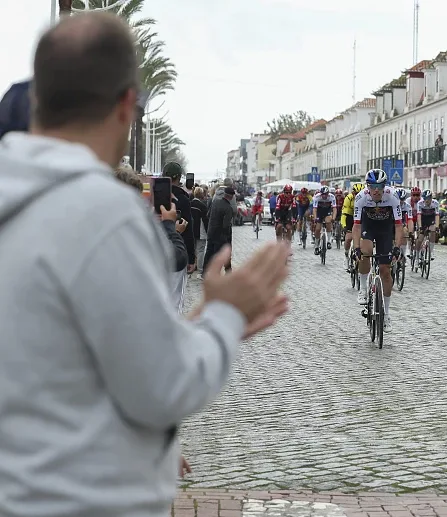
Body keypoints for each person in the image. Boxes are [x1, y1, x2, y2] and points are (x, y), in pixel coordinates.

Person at [0, 12, 290, 517]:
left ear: (39, 96)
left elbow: (73, 353)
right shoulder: (101, 213)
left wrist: (195, 322)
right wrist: (224, 317)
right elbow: (161, 388)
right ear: (127, 105)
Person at [352, 169, 403, 332]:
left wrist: (397, 247)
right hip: (368, 227)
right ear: (367, 186)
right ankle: (363, 289)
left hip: (385, 231)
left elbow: (398, 225)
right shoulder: (361, 198)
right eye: (372, 186)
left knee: (385, 272)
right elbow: (357, 226)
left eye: (379, 186)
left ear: (384, 187)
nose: (375, 190)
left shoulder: (392, 197)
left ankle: (386, 314)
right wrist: (356, 247)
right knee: (365, 253)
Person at [163, 161, 196, 273]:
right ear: (178, 177)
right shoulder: (183, 199)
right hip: (177, 250)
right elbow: (188, 230)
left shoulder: (152, 196)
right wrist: (191, 257)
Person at [203, 186, 235, 275]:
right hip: (221, 236)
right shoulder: (228, 208)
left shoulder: (215, 202)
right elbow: (226, 225)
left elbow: (208, 215)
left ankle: (204, 272)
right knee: (222, 254)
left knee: (209, 253)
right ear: (231, 197)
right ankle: (221, 272)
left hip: (211, 232)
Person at [191, 187, 209, 275]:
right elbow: (206, 220)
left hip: (191, 230)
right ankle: (200, 268)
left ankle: (192, 265)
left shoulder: (189, 204)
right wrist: (208, 231)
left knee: (193, 248)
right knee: (201, 250)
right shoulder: (202, 206)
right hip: (200, 231)